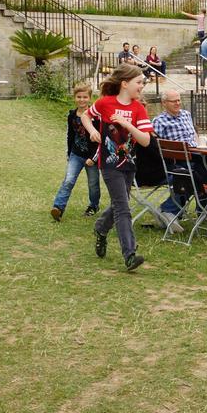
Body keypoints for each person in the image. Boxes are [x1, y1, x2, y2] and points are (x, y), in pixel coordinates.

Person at [83, 64, 153, 272]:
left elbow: (146, 141)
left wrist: (127, 124)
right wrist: (92, 132)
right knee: (123, 206)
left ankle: (101, 228)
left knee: (118, 203)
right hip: (109, 164)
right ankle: (129, 254)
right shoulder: (105, 103)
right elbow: (86, 116)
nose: (142, 86)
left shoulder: (139, 108)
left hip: (129, 163)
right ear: (125, 84)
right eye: (139, 82)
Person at [152, 89, 207, 233]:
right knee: (196, 173)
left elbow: (194, 134)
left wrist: (199, 144)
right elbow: (155, 145)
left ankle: (200, 211)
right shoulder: (159, 121)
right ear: (164, 103)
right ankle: (170, 209)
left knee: (203, 169)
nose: (178, 103)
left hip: (194, 153)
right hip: (175, 159)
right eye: (174, 101)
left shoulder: (186, 115)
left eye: (179, 100)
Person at [51, 83, 101, 221]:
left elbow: (100, 140)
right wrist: (69, 153)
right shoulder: (72, 115)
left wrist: (94, 158)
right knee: (68, 180)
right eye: (79, 97)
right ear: (74, 98)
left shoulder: (96, 117)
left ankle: (94, 205)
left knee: (93, 184)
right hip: (76, 154)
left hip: (91, 157)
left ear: (90, 98)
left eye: (85, 97)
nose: (81, 100)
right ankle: (58, 208)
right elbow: (70, 136)